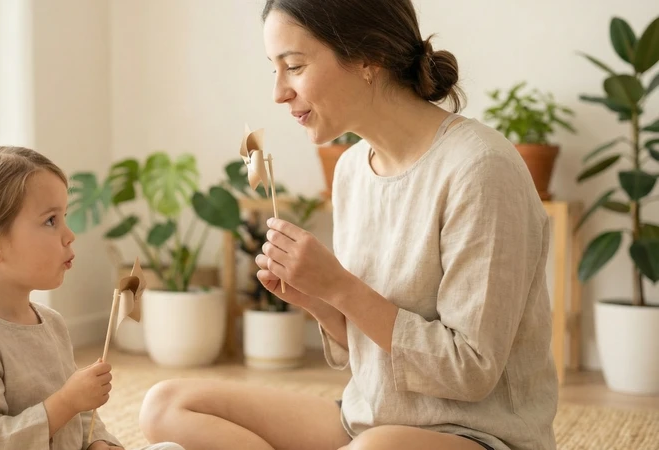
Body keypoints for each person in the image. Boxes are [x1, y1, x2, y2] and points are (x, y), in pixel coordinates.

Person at [138, 1, 558, 449]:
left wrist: (339, 287)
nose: (279, 92)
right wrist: (317, 299)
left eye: (294, 66)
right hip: (367, 422)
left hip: (474, 434)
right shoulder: (352, 169)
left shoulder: (480, 168)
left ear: (367, 58)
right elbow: (364, 346)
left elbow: (470, 370)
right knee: (166, 405)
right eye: (274, 69)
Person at [0, 146, 183, 450]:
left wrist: (100, 444)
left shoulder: (51, 323)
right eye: (51, 221)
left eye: (64, 217)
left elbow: (81, 418)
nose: (69, 234)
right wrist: (66, 401)